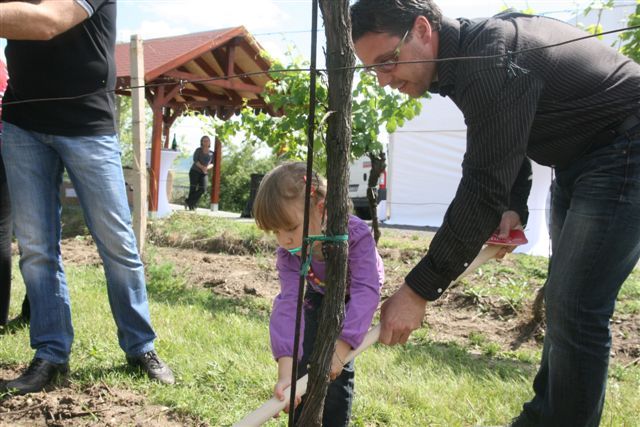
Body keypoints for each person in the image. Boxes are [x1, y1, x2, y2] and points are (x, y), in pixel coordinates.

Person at [350, 1, 640, 426]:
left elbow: (481, 186)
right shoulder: (469, 55)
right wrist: (512, 205)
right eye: (372, 70)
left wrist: (418, 290)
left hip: (625, 147)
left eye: (387, 61)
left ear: (422, 29)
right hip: (584, 156)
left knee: (576, 304)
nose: (383, 79)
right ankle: (547, 416)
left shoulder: (488, 57)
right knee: (565, 303)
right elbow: (504, 138)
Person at [0, 0, 174, 394]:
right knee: (36, 248)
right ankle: (50, 354)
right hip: (22, 124)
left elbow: (50, 21)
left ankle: (140, 346)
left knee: (117, 243)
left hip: (87, 126)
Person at [253, 162, 384, 426]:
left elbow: (365, 291)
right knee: (305, 366)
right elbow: (289, 303)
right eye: (275, 232)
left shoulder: (354, 235)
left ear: (321, 210)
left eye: (290, 228)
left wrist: (341, 347)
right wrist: (285, 373)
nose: (284, 240)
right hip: (318, 292)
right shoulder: (288, 252)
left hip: (353, 295)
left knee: (336, 373)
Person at [184, 135, 214, 210]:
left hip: (204, 173)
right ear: (202, 142)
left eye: (207, 140)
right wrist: (202, 167)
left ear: (210, 142)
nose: (206, 142)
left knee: (203, 189)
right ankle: (192, 206)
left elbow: (212, 163)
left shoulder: (212, 153)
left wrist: (206, 168)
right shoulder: (198, 150)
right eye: (204, 141)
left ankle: (188, 201)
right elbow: (195, 160)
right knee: (193, 188)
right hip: (194, 171)